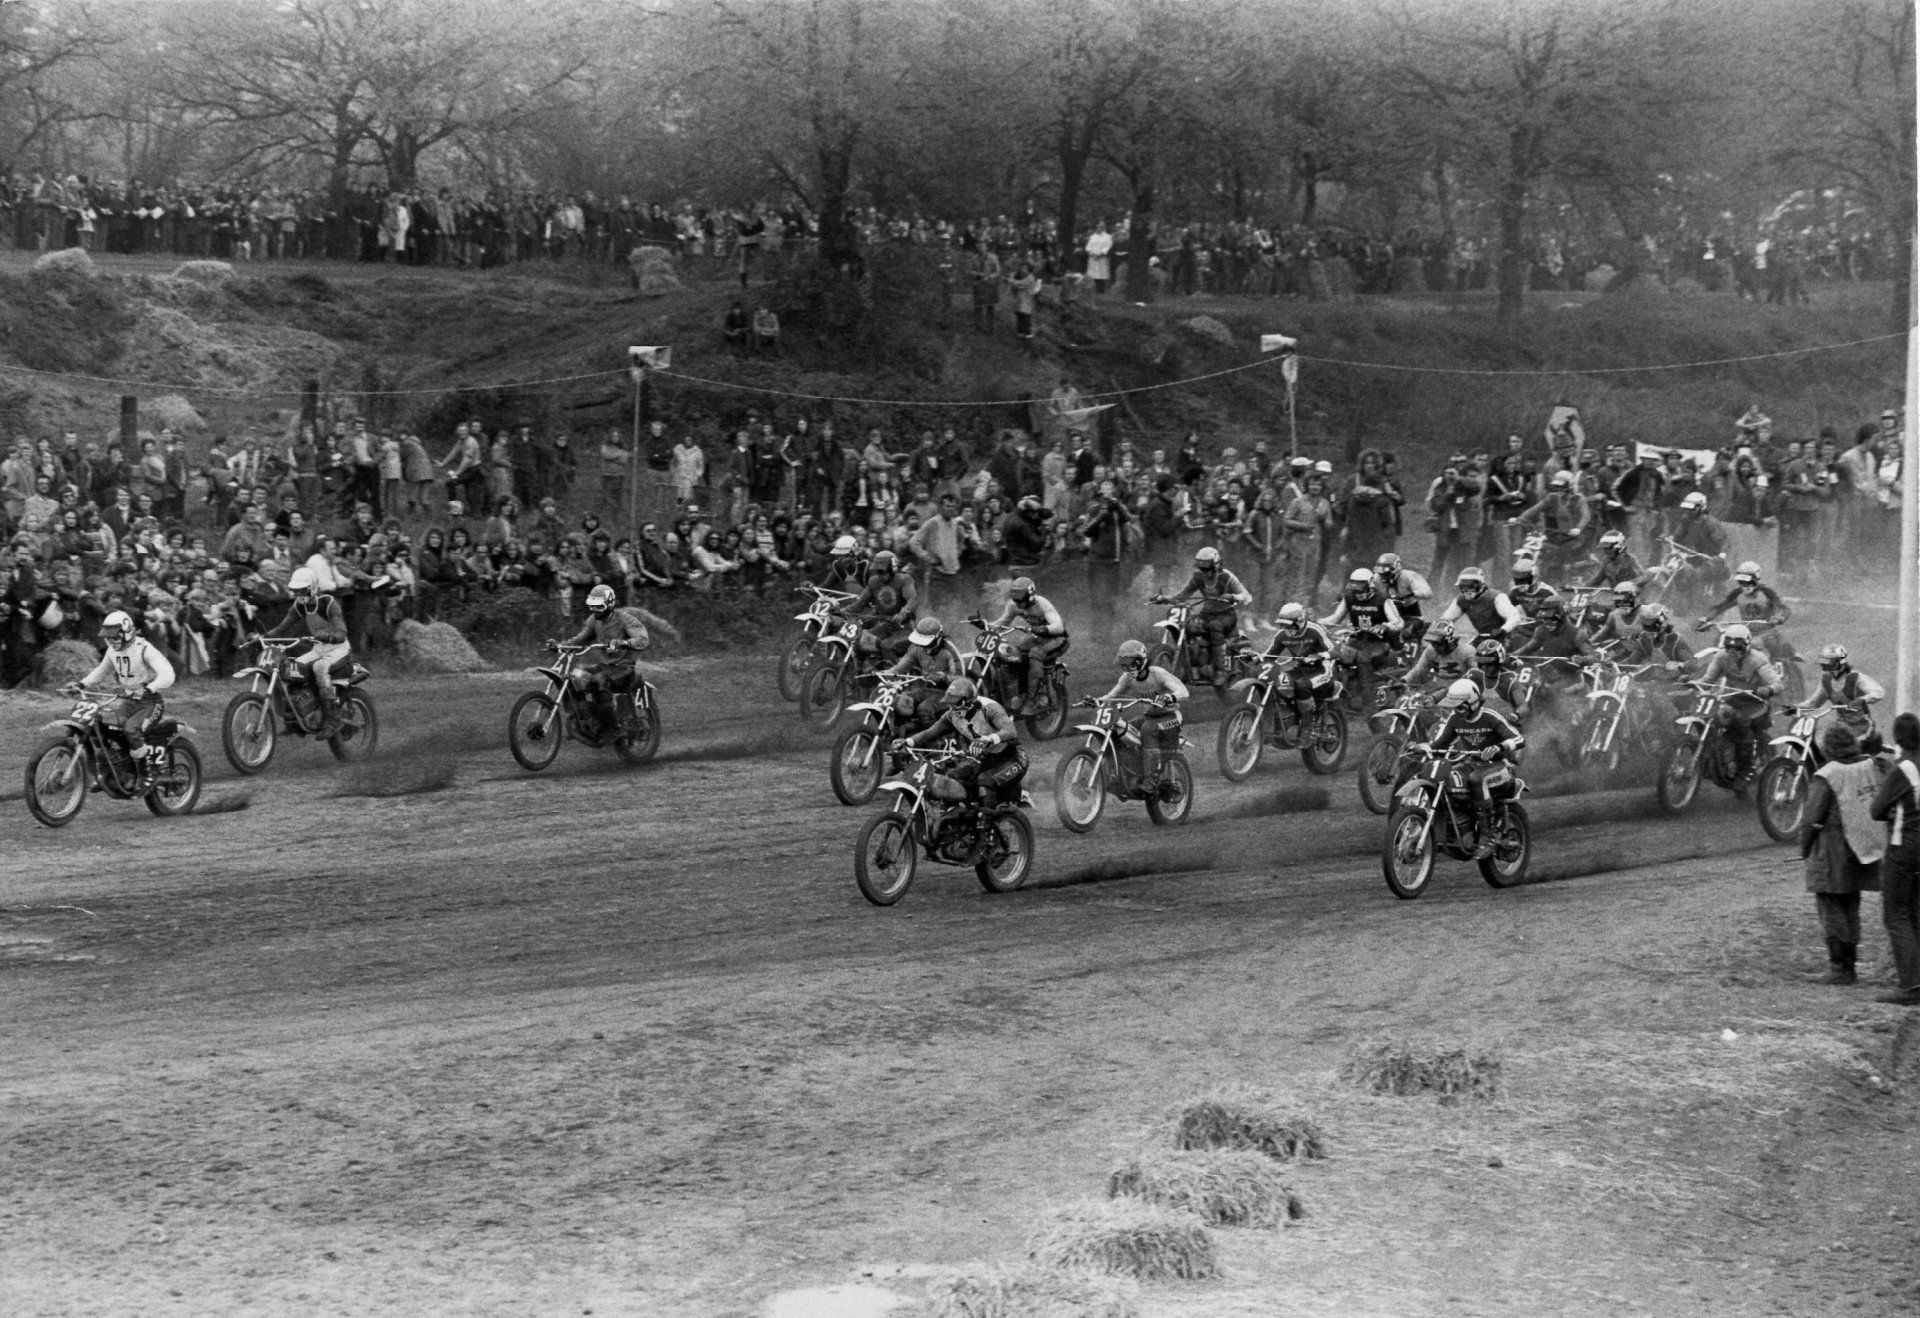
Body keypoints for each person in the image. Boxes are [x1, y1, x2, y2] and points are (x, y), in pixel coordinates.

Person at [1800, 723, 1885, 986]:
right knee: (1851, 904)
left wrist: (1804, 848)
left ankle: (1840, 967)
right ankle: (1850, 963)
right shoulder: (1871, 765)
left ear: (1828, 748)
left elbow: (1811, 817)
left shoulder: (1828, 774)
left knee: (1830, 904)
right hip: (1862, 848)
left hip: (1832, 849)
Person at [894, 676, 1027, 813]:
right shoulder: (951, 716)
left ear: (968, 701)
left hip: (1012, 758)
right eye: (949, 703)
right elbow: (930, 733)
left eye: (956, 704)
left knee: (984, 781)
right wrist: (908, 742)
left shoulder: (990, 708)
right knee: (952, 776)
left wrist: (987, 739)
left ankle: (987, 825)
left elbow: (1011, 731)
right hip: (984, 760)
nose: (951, 708)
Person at [1428, 677, 1526, 859]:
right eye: (1454, 706)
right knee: (1449, 778)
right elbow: (1439, 744)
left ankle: (1487, 836)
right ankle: (1456, 826)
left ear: (1472, 703)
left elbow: (1520, 739)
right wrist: (1425, 748)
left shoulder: (1490, 717)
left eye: (1459, 706)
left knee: (1476, 780)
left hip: (1500, 766)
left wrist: (1499, 747)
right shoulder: (1455, 719)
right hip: (1473, 763)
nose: (1456, 710)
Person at [79, 609, 176, 788]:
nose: (111, 641)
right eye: (108, 637)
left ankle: (145, 774)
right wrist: (81, 685)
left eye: (115, 636)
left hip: (150, 702)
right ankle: (112, 772)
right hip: (129, 701)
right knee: (105, 727)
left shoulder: (143, 649)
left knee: (131, 729)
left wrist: (149, 688)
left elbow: (168, 674)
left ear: (127, 632)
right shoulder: (112, 651)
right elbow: (101, 671)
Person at [1868, 712, 1920, 1006]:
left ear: (1898, 739)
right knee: (1913, 914)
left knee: (1896, 915)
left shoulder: (1903, 769)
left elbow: (1876, 810)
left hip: (1903, 848)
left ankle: (1911, 985)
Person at [265, 566, 352, 736]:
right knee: (291, 669)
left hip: (338, 649)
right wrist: (261, 637)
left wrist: (330, 636)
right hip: (318, 648)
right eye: (296, 592)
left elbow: (342, 632)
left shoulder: (328, 603)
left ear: (312, 587)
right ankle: (294, 718)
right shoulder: (299, 606)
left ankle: (333, 719)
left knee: (320, 667)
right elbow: (281, 628)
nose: (298, 596)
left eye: (302, 591)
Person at [551, 582, 650, 731]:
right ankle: (587, 718)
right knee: (575, 676)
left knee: (598, 681)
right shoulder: (593, 620)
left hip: (623, 668)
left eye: (599, 606)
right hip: (605, 667)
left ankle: (611, 729)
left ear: (610, 604)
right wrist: (559, 646)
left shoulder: (624, 618)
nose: (595, 611)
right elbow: (580, 639)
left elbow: (642, 638)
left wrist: (624, 643)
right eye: (592, 606)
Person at [1098, 638, 1190, 796]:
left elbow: (1184, 692)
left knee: (1148, 729)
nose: (1128, 668)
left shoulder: (1157, 674)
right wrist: (1098, 700)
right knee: (1122, 729)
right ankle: (1128, 770)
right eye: (1124, 665)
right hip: (1151, 716)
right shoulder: (1127, 678)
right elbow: (1112, 695)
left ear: (1141, 660)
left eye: (1131, 664)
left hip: (1171, 716)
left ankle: (1151, 780)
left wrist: (1170, 697)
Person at [1698, 623, 1782, 782]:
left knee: (1742, 723)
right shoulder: (1721, 656)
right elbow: (1708, 679)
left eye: (1738, 648)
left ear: (1747, 645)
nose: (1733, 652)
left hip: (1755, 703)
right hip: (1732, 699)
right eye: (1729, 647)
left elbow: (1777, 683)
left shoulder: (1758, 659)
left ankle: (1747, 769)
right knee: (1714, 718)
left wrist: (1768, 690)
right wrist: (1694, 683)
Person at [1162, 546, 1251, 686]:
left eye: (1208, 569)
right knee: (1186, 626)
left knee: (1215, 626)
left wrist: (1233, 596)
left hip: (1226, 615)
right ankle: (1185, 667)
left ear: (1216, 565)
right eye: (1202, 569)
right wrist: (1166, 598)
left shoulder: (1226, 577)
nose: (1205, 573)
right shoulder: (1197, 577)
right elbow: (1182, 596)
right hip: (1207, 614)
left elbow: (1246, 597)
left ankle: (1220, 671)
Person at [1319, 566, 1403, 709]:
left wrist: (1385, 626)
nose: (1355, 586)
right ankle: (1339, 694)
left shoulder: (1382, 599)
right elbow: (1334, 619)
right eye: (1353, 582)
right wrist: (1314, 622)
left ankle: (1369, 710)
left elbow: (1398, 622)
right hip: (1356, 640)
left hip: (1377, 642)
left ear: (1369, 582)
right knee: (1335, 656)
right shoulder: (1349, 598)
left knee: (1363, 662)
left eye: (1360, 582)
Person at [984, 576, 1068, 715]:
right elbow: (1002, 623)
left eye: (1021, 600)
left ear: (1030, 595)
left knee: (1035, 653)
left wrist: (1045, 629)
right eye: (1016, 600)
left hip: (1058, 639)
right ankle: (1020, 692)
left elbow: (1058, 626)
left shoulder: (1042, 604)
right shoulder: (1013, 605)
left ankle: (1031, 702)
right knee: (1015, 653)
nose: (1018, 604)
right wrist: (986, 625)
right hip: (1038, 637)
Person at [1699, 560, 1795, 665]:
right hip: (1747, 632)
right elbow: (1720, 607)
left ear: (1756, 579)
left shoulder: (1766, 592)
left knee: (1754, 645)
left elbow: (1785, 609)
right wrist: (1707, 619)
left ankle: (1766, 674)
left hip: (1767, 632)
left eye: (1748, 582)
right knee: (1723, 643)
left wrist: (1779, 618)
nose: (1745, 585)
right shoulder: (1737, 593)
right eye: (1741, 582)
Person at [880, 615, 961, 738]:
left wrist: (942, 676)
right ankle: (899, 738)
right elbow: (899, 668)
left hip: (952, 694)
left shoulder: (949, 651)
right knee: (901, 701)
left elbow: (961, 681)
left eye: (928, 643)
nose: (924, 647)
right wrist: (883, 675)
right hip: (929, 690)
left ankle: (933, 743)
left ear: (939, 638)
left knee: (925, 708)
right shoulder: (916, 648)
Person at [836, 547, 917, 663]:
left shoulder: (904, 580)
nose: (879, 575)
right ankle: (862, 673)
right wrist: (841, 611)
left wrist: (902, 614)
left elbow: (912, 599)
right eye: (876, 571)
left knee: (886, 646)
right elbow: (859, 604)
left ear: (892, 568)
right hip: (885, 626)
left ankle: (895, 675)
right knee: (859, 642)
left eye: (881, 571)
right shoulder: (874, 582)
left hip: (904, 628)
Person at [1263, 602, 1338, 719]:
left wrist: (1320, 656)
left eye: (1289, 625)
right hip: (1300, 669)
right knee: (1281, 684)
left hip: (1322, 669)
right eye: (1283, 624)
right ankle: (1292, 715)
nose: (1286, 628)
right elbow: (1269, 656)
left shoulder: (1315, 630)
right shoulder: (1281, 635)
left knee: (1301, 685)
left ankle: (1309, 722)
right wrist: (1255, 657)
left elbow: (1336, 651)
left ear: (1300, 622)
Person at [1805, 645, 1885, 743]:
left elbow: (1878, 692)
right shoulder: (1826, 681)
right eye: (1824, 666)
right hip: (1841, 729)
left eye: (1830, 666)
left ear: (1841, 664)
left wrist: (1862, 700)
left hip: (1862, 728)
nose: (1827, 670)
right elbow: (1814, 702)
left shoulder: (1856, 678)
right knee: (1824, 747)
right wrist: (1794, 707)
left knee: (1850, 749)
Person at [1436, 565, 1523, 640]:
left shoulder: (1497, 597)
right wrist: (1439, 630)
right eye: (1462, 587)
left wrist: (1503, 630)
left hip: (1507, 637)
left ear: (1480, 585)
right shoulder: (1461, 600)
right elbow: (1445, 620)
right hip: (1483, 638)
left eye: (1469, 587)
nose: (1465, 591)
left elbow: (1514, 617)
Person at [1373, 552, 1432, 645]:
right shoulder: (1376, 579)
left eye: (1386, 573)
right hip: (1388, 616)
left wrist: (1412, 593)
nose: (1382, 577)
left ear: (1396, 568)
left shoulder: (1408, 576)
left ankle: (1420, 635)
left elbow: (1428, 592)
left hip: (1411, 616)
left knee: (1405, 633)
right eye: (1381, 573)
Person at [1404, 619, 1481, 689]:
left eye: (1438, 644)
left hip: (1462, 690)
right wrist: (1404, 680)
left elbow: (1477, 675)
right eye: (1433, 643)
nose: (1435, 647)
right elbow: (1419, 670)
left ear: (1450, 640)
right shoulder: (1431, 650)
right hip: (1439, 691)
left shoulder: (1466, 651)